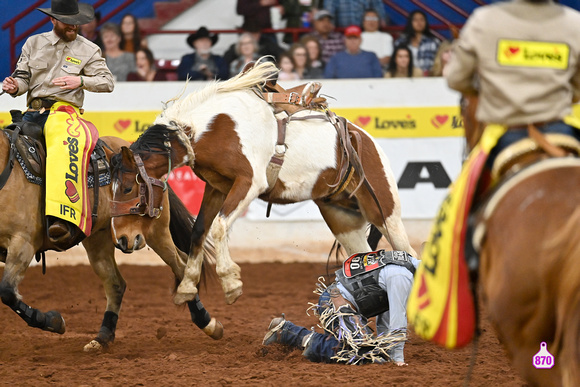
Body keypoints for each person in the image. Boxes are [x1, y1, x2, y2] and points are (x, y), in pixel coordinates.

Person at [1, 0, 114, 247]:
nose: (74, 26)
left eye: (76, 22)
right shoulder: (33, 43)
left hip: (66, 114)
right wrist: (14, 87)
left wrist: (81, 81)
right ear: (53, 20)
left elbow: (107, 82)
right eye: (68, 22)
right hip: (32, 112)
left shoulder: (89, 49)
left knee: (63, 149)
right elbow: (22, 78)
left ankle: (62, 216)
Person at [445, 0, 580, 164]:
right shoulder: (575, 23)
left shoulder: (484, 20)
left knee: (463, 188)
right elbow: (577, 88)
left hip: (505, 138)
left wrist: (489, 93)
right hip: (561, 133)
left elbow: (456, 79)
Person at [263, 249, 420, 365]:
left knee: (374, 355)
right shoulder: (402, 277)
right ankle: (290, 333)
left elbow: (386, 313)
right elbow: (397, 320)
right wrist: (396, 359)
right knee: (364, 356)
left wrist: (386, 353)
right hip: (336, 306)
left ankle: (300, 339)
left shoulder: (403, 266)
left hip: (336, 302)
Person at [394, 10, 440, 75]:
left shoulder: (434, 42)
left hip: (428, 79)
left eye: (422, 20)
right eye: (415, 20)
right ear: (410, 22)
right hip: (405, 78)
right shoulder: (400, 41)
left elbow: (438, 63)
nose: (419, 23)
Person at [323, 0, 388, 28]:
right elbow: (329, 10)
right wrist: (330, 23)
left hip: (364, 32)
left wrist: (381, 18)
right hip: (342, 33)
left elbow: (377, 5)